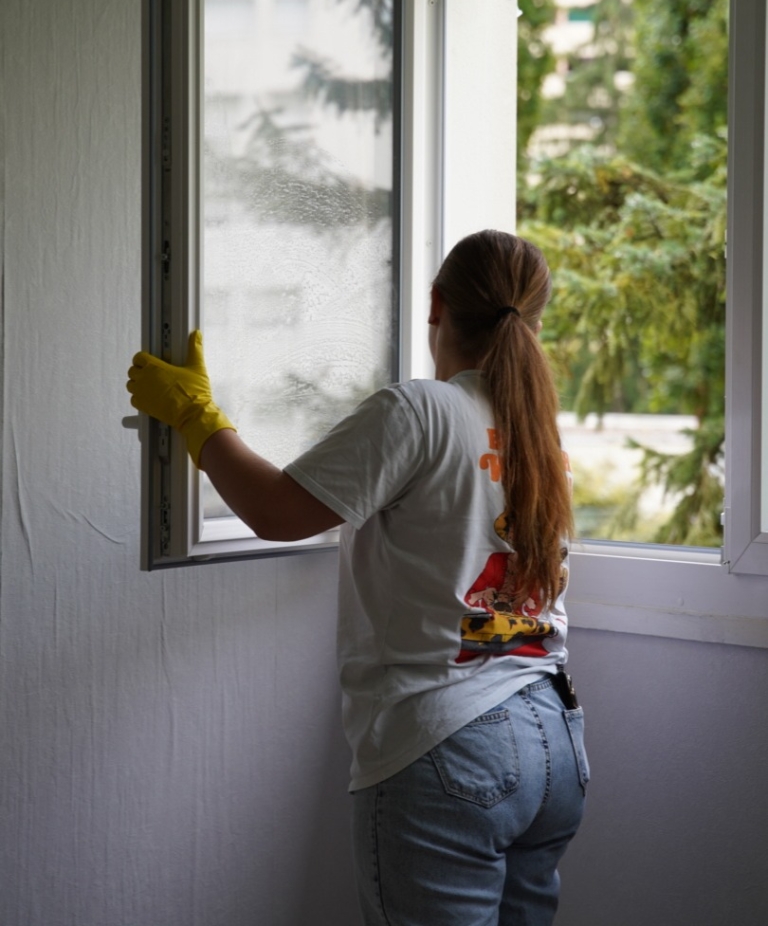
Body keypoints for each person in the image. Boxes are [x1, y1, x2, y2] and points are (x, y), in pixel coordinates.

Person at [127, 228, 588, 926]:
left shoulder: (422, 410)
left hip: (451, 743)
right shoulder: (539, 437)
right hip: (553, 739)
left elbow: (278, 511)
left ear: (436, 306)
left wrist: (196, 415)